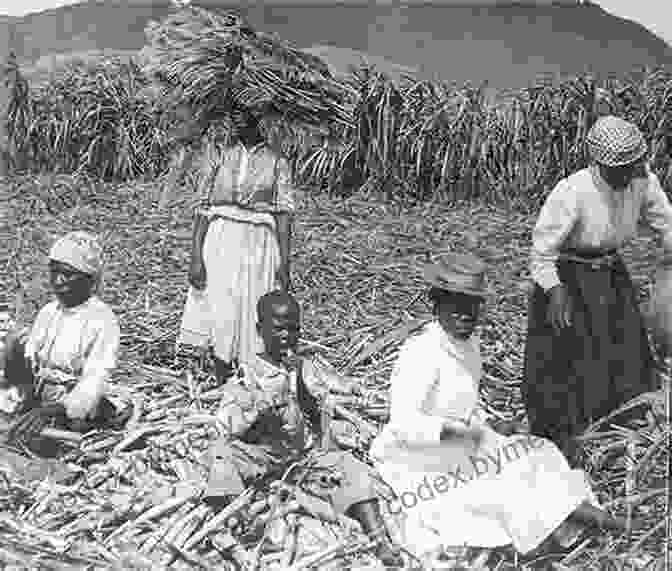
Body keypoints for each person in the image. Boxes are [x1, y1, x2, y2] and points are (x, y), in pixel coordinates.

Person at [369, 252, 630, 565]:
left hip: (464, 442)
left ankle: (588, 519)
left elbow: (464, 404)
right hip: (419, 457)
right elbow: (404, 424)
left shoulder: (468, 345)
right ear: (436, 303)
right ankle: (592, 525)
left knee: (538, 455)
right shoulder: (422, 352)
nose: (465, 314)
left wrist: (490, 426)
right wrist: (461, 434)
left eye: (472, 305)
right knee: (504, 488)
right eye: (455, 304)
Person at [203, 290, 403, 566]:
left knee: (350, 468)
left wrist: (300, 385)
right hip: (263, 456)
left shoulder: (303, 367)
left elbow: (315, 410)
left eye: (293, 328)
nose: (287, 335)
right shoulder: (248, 372)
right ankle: (236, 522)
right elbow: (228, 425)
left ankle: (378, 539)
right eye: (279, 328)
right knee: (222, 455)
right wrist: (258, 414)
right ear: (261, 330)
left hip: (302, 456)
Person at [523, 115, 672, 463]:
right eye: (619, 169)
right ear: (598, 164)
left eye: (632, 166)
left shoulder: (642, 181)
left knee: (623, 346)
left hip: (610, 270)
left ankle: (619, 420)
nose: (628, 175)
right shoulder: (572, 191)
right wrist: (554, 292)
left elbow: (665, 221)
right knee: (565, 352)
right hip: (568, 273)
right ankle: (562, 432)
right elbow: (541, 253)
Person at [176, 107, 296, 383]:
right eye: (235, 113)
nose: (239, 119)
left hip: (259, 244)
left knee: (253, 304)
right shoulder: (220, 155)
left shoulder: (276, 161)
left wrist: (284, 262)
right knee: (220, 302)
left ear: (259, 118)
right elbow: (203, 208)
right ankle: (217, 372)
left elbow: (283, 214)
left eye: (247, 114)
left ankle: (249, 374)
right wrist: (196, 256)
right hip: (220, 239)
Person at [0, 231, 123, 445]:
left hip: (73, 400)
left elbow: (94, 380)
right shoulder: (49, 312)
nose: (58, 281)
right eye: (54, 272)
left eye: (67, 274)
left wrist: (57, 409)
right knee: (16, 340)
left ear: (89, 279)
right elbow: (31, 359)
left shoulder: (102, 319)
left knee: (77, 422)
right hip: (40, 391)